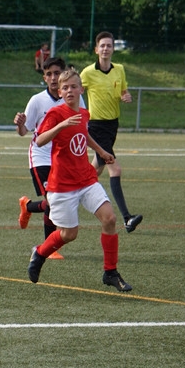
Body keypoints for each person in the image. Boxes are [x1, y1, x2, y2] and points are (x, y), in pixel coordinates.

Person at [27, 67, 132, 292]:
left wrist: (101, 151)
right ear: (60, 92)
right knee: (69, 234)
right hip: (62, 185)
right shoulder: (55, 114)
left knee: (110, 219)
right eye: (65, 88)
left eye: (73, 87)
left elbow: (84, 134)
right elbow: (40, 140)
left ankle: (110, 272)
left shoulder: (84, 113)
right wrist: (61, 125)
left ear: (81, 90)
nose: (69, 91)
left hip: (86, 178)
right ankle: (40, 253)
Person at [80, 31, 143, 233]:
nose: (105, 49)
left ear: (113, 49)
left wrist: (126, 96)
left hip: (112, 125)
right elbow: (74, 91)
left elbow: (123, 90)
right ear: (96, 49)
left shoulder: (120, 70)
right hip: (96, 126)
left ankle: (69, 193)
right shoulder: (87, 73)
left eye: (109, 45)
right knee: (114, 169)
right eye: (102, 46)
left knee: (94, 171)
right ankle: (127, 218)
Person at [13, 56, 72, 258]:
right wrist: (20, 124)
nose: (53, 78)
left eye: (57, 73)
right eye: (49, 74)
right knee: (52, 201)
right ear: (44, 78)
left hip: (62, 158)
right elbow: (23, 132)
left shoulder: (73, 97)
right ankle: (49, 248)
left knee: (59, 201)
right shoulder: (37, 100)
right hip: (41, 156)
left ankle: (28, 206)